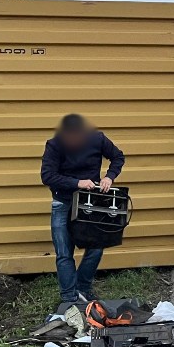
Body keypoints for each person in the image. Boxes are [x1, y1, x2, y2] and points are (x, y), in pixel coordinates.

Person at [41, 114, 126, 304]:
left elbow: (118, 157)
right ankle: (69, 298)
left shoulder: (98, 139)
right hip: (63, 202)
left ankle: (82, 288)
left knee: (96, 248)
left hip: (91, 203)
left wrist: (109, 177)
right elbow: (47, 176)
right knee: (64, 253)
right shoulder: (54, 145)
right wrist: (77, 182)